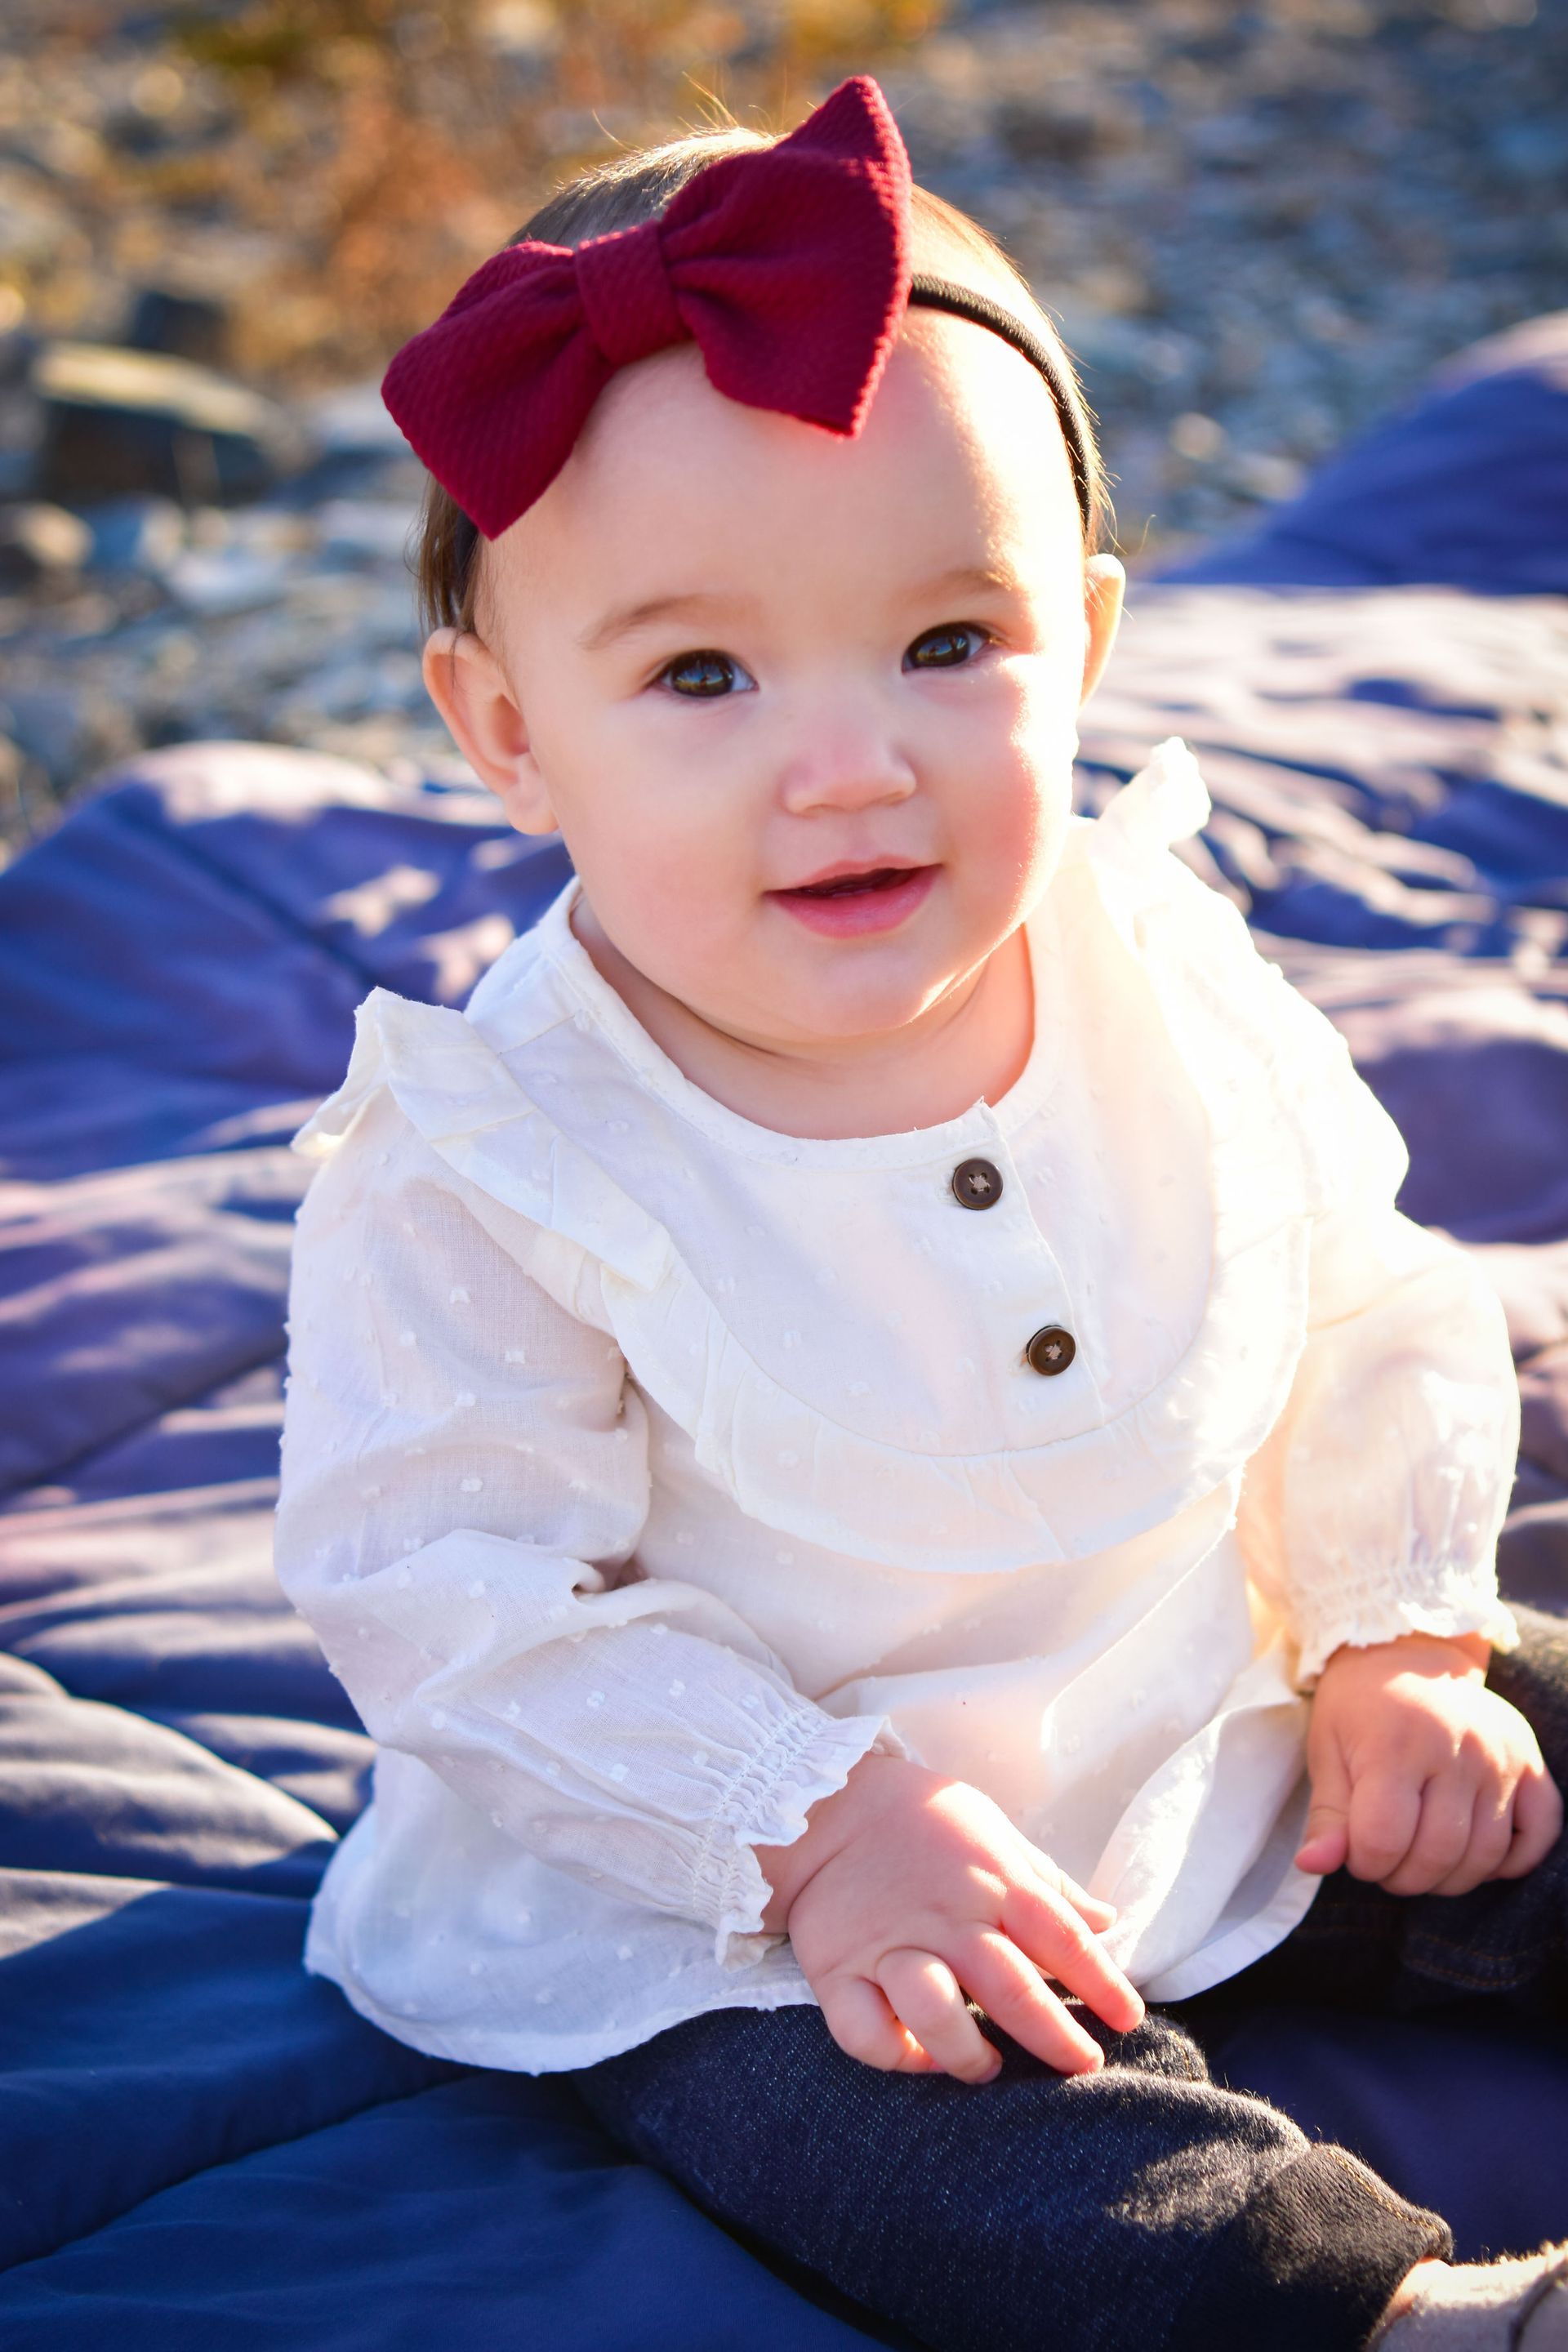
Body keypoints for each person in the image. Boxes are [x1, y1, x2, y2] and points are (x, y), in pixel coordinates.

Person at [271, 75, 1568, 2352]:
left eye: (946, 646)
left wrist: (1391, 1638)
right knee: (951, 2177)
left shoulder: (1153, 962)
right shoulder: (496, 1158)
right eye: (699, 675)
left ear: (1081, 631)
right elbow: (449, 1589)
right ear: (500, 731)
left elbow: (1355, 1281)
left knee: (1533, 1735)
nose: (848, 761)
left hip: (1211, 1727)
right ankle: (1403, 2319)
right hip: (747, 1911)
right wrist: (812, 1829)